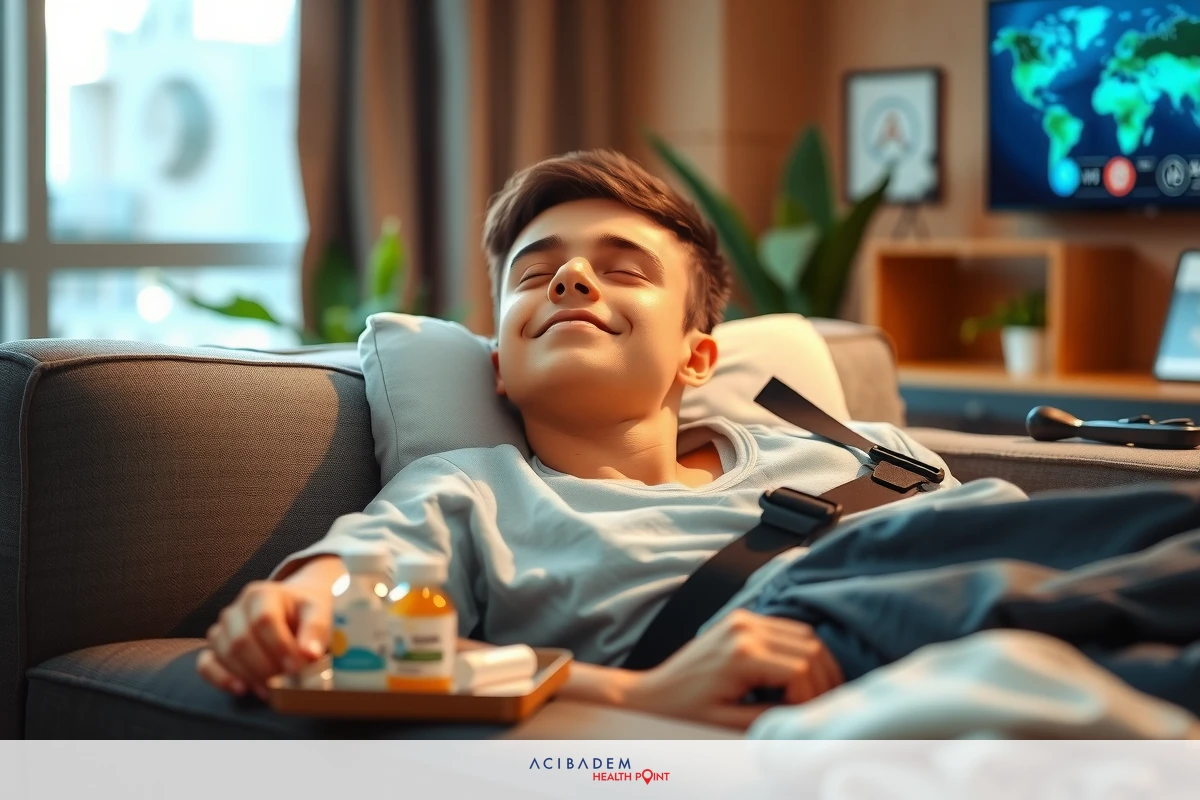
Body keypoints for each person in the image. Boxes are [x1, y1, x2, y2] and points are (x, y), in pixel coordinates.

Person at [196, 150, 1200, 728]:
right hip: (804, 632)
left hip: (1024, 571)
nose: (574, 279)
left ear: (695, 355)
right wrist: (637, 689)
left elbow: (1050, 553)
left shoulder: (858, 445)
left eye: (621, 267)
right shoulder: (473, 490)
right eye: (538, 270)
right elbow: (331, 615)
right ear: (497, 358)